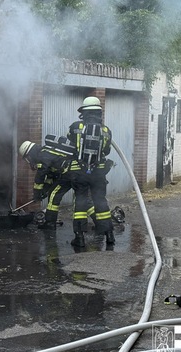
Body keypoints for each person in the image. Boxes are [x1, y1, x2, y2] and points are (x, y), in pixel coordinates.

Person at [65, 96, 114, 248]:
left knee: (80, 203)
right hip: (98, 173)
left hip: (79, 172)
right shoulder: (106, 131)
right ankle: (109, 235)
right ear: (99, 112)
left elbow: (70, 143)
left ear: (84, 112)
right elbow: (107, 151)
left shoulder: (75, 127)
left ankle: (79, 237)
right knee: (101, 202)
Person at [18, 134, 76, 229]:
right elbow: (50, 175)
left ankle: (50, 224)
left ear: (30, 153)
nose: (29, 161)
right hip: (73, 173)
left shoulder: (42, 155)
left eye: (28, 158)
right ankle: (102, 226)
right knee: (86, 201)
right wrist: (44, 190)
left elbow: (40, 176)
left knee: (54, 195)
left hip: (70, 173)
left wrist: (37, 193)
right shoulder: (47, 152)